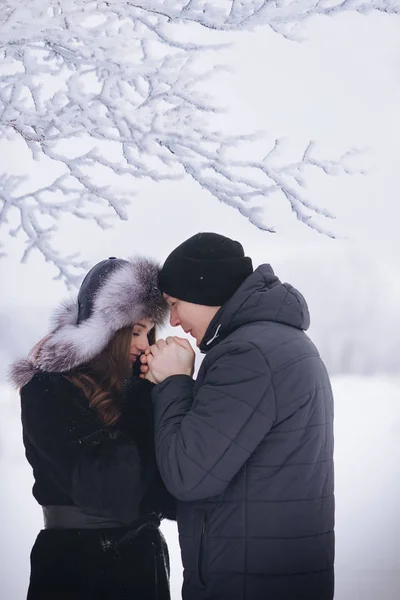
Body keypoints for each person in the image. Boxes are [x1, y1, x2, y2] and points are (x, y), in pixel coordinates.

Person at [141, 233, 335, 600]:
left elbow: (188, 473)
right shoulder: (280, 342)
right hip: (275, 575)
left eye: (175, 303)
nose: (175, 320)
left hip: (249, 582)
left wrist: (174, 382)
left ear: (206, 290)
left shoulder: (248, 355)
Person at [10, 256, 175, 600]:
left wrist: (173, 391)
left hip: (143, 567)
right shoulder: (49, 389)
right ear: (106, 331)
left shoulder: (135, 387)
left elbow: (168, 492)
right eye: (135, 332)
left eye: (148, 333)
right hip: (79, 569)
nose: (144, 345)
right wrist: (144, 395)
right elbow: (112, 485)